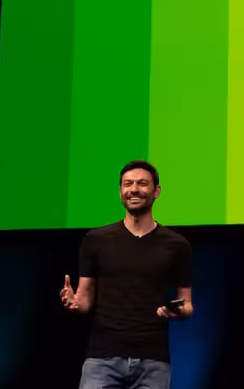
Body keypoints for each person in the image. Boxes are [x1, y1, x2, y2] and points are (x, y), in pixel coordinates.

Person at [60, 160, 194, 389]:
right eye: (127, 184)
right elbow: (84, 300)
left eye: (142, 183)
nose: (134, 189)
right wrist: (73, 302)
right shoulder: (96, 240)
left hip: (153, 360)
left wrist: (178, 310)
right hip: (102, 359)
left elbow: (187, 304)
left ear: (157, 191)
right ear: (121, 191)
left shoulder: (177, 245)